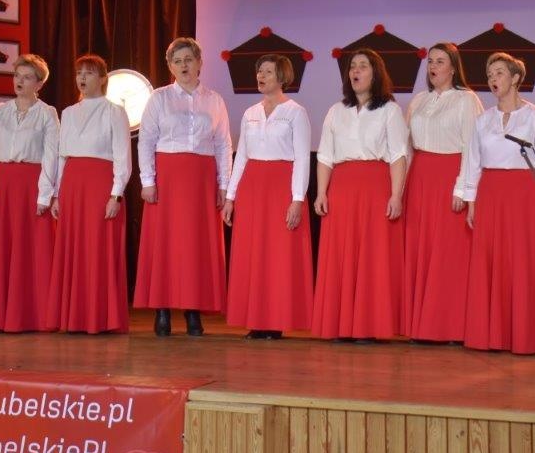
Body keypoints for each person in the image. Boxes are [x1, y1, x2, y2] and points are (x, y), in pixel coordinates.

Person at [459, 52, 535, 353]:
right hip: (491, 194)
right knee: (492, 262)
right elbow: (473, 162)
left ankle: (525, 335)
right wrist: (471, 201)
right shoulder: (483, 120)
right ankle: (491, 335)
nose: (493, 79)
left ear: (516, 78)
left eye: (499, 73)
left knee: (523, 262)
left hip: (524, 193)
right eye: (490, 74)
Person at [135, 38, 231, 336]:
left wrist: (224, 185)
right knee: (164, 242)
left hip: (202, 178)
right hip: (168, 176)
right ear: (170, 66)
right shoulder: (159, 98)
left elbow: (223, 144)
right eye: (177, 61)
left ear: (200, 63)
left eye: (189, 59)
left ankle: (193, 311)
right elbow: (146, 140)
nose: (184, 65)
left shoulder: (214, 99)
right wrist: (148, 180)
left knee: (195, 245)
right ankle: (162, 309)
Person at [312, 48, 408, 342]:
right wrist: (321, 192)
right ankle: (340, 325)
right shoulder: (336, 110)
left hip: (375, 188)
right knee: (341, 254)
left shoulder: (389, 110)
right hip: (342, 188)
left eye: (363, 66)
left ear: (375, 73)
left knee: (371, 256)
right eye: (352, 66)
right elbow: (325, 155)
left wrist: (396, 195)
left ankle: (368, 325)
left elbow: (398, 155)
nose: (355, 71)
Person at [222, 54, 313, 339]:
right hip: (252, 188)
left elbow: (302, 158)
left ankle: (275, 319)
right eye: (259, 71)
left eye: (268, 72)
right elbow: (241, 156)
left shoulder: (295, 112)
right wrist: (231, 196)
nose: (261, 76)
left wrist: (297, 198)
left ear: (282, 77)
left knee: (277, 254)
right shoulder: (250, 113)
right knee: (253, 253)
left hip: (281, 187)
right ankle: (255, 320)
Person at [402, 43, 483, 344]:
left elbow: (472, 147)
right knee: (420, 248)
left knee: (448, 252)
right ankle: (420, 326)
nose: (433, 66)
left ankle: (449, 327)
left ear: (453, 67)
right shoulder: (419, 100)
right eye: (430, 61)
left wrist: (462, 187)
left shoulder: (466, 99)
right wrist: (401, 187)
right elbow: (407, 147)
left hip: (450, 177)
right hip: (420, 177)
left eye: (440, 61)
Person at [46, 54, 131, 334]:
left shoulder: (114, 111)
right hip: (73, 186)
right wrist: (56, 194)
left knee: (98, 249)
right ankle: (74, 317)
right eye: (79, 73)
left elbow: (123, 157)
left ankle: (100, 318)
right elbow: (62, 156)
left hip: (100, 184)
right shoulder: (69, 112)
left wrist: (115, 195)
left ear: (103, 78)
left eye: (89, 73)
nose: (82, 78)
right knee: (74, 249)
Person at [0, 54, 59, 333]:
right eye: (16, 76)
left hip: (31, 186)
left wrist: (44, 195)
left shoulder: (47, 113)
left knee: (33, 250)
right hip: (3, 185)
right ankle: (1, 316)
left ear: (39, 83)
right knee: (4, 248)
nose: (19, 82)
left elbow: (51, 156)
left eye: (27, 77)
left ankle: (35, 316)